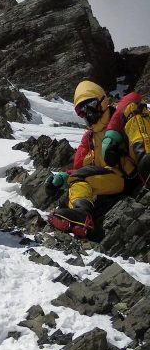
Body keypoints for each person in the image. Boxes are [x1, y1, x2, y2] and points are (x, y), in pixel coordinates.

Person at [45, 80, 150, 238]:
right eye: (82, 110)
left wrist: (113, 133)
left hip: (137, 166)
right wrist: (65, 177)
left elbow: (133, 97)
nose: (88, 112)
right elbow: (82, 171)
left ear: (103, 101)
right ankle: (81, 215)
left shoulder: (122, 112)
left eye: (91, 105)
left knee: (134, 112)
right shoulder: (90, 138)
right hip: (120, 179)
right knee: (78, 180)